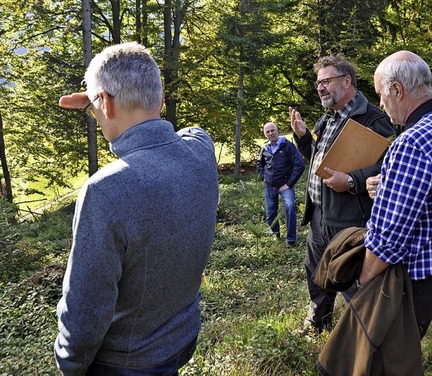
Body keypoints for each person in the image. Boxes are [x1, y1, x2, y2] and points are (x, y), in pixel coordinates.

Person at [54, 42, 219, 375]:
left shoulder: (104, 191)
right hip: (181, 340)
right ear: (159, 101)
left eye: (95, 106)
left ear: (105, 103)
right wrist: (98, 98)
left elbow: (85, 312)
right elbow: (188, 132)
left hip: (128, 362)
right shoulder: (201, 150)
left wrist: (69, 365)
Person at [358, 50, 432, 343]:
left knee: (386, 361)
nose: (381, 104)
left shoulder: (411, 143)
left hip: (404, 283)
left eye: (380, 95)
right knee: (405, 351)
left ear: (396, 90)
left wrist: (362, 284)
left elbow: (388, 238)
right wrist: (387, 187)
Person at [289, 53, 395, 333]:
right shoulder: (326, 120)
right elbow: (320, 163)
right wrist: (303, 138)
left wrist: (351, 180)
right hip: (319, 214)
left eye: (327, 81)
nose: (321, 87)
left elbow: (387, 165)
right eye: (318, 83)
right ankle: (318, 323)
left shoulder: (373, 119)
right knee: (316, 273)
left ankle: (364, 335)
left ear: (347, 81)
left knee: (350, 276)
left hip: (350, 216)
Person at [257, 121, 305, 247]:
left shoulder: (288, 146)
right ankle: (275, 234)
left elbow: (300, 165)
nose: (271, 133)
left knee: (290, 208)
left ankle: (291, 240)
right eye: (267, 132)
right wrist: (264, 177)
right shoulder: (265, 148)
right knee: (270, 212)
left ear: (277, 130)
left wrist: (289, 184)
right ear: (265, 134)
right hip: (270, 187)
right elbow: (260, 164)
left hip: (285, 186)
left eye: (272, 130)